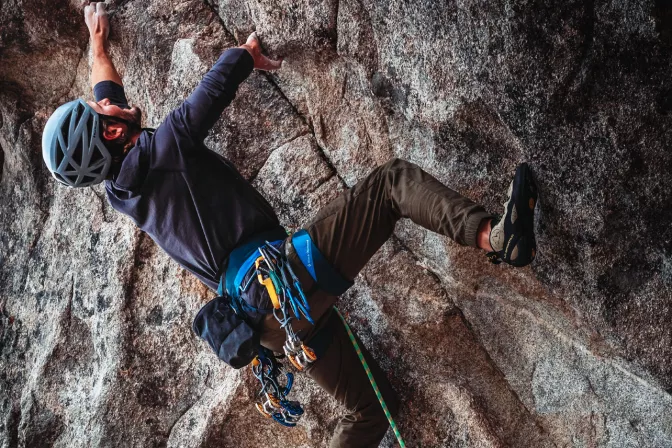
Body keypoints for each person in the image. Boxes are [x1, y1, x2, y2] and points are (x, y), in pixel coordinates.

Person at [41, 3, 538, 447]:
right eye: (102, 110)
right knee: (391, 185)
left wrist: (97, 40)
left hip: (271, 327)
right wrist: (245, 55)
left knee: (370, 409)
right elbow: (203, 103)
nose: (106, 101)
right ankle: (494, 236)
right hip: (286, 280)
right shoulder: (163, 149)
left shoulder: (121, 191)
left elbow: (107, 93)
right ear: (110, 130)